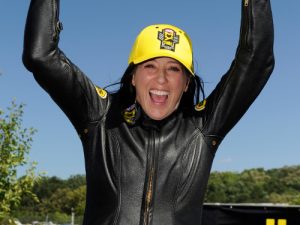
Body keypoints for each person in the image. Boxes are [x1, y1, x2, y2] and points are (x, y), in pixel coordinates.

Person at [22, 0, 274, 224]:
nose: (161, 79)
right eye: (150, 66)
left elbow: (257, 60)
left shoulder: (203, 127)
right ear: (133, 76)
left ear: (186, 83)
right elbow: (41, 56)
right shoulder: (100, 115)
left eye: (174, 69)